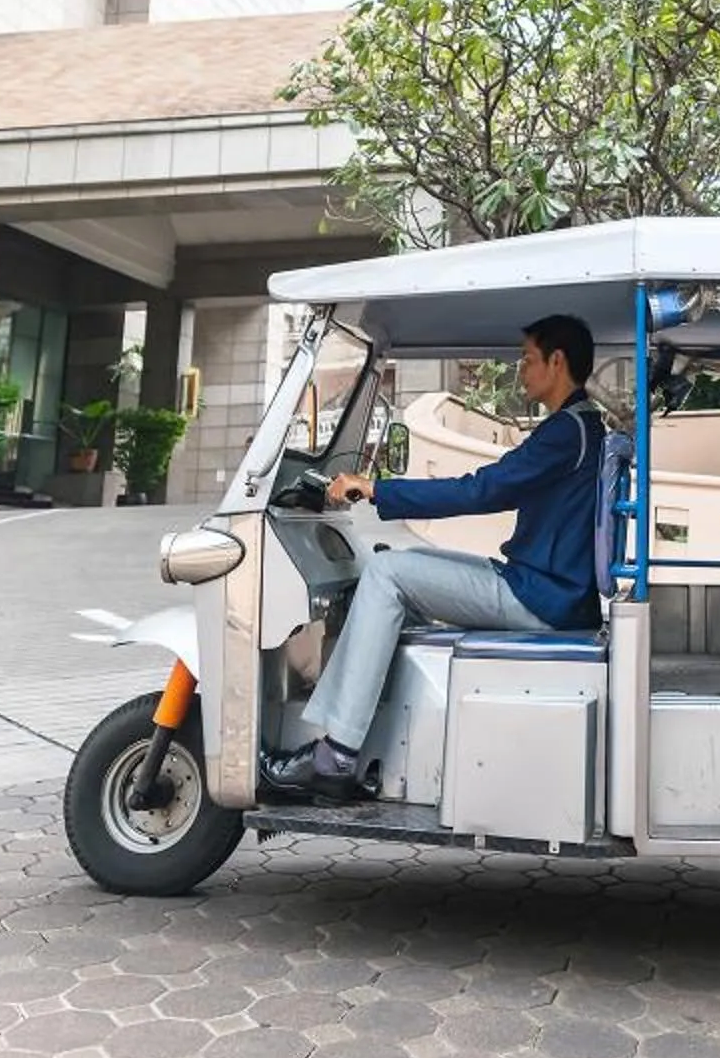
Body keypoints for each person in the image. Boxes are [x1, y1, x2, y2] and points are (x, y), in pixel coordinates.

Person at [260, 313, 608, 802]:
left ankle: (335, 756)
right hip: (547, 588)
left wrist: (377, 489)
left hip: (542, 597)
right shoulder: (580, 427)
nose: (521, 371)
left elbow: (482, 490)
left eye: (528, 360)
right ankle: (369, 740)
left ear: (557, 361)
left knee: (386, 571)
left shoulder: (567, 433)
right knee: (398, 573)